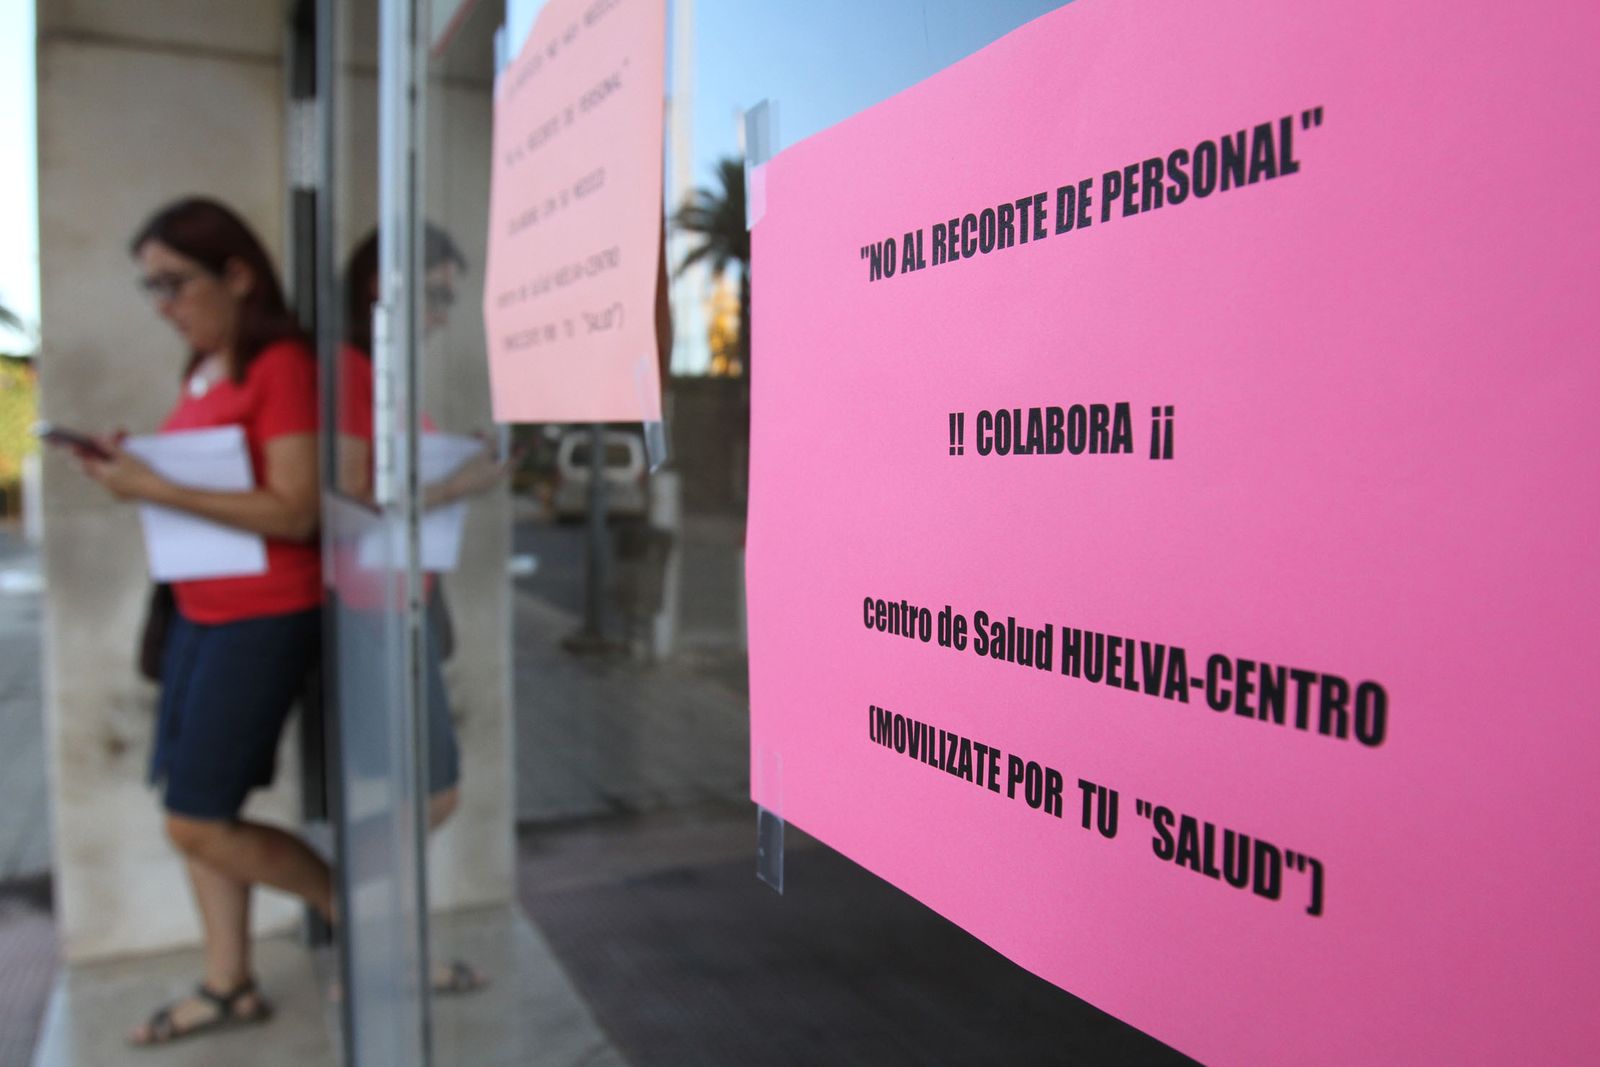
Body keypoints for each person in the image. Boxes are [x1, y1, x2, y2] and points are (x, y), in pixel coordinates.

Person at [68, 197, 330, 1045]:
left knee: (198, 817)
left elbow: (295, 512)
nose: (164, 304)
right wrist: (140, 464)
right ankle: (229, 982)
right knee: (188, 807)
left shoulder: (280, 361)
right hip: (197, 611)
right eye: (150, 287)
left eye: (174, 282)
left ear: (238, 273)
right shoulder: (204, 367)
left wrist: (158, 488)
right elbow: (216, 479)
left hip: (261, 614)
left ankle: (355, 911)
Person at [336, 225, 508, 992]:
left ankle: (376, 935)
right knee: (430, 792)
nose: (441, 316)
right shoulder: (349, 370)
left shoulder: (383, 373)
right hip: (374, 610)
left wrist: (457, 464)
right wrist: (456, 485)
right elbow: (351, 501)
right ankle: (350, 912)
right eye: (434, 295)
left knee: (420, 791)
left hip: (402, 604)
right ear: (384, 283)